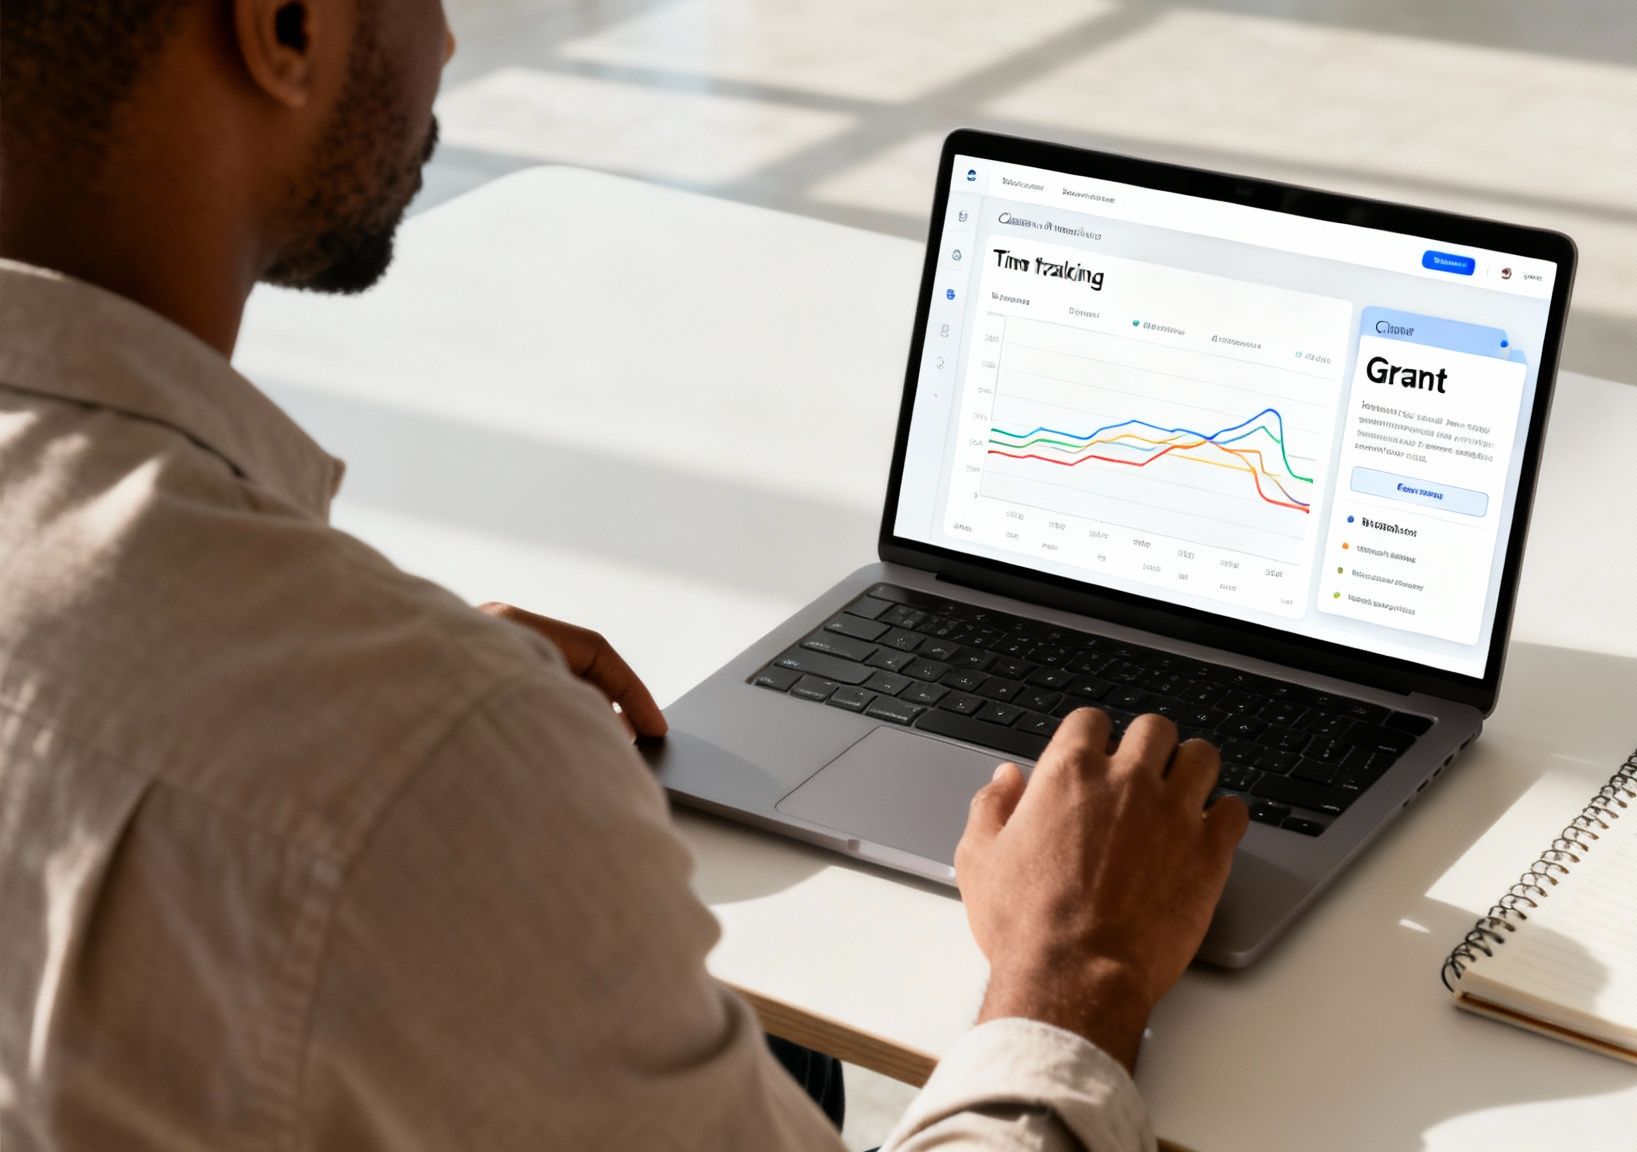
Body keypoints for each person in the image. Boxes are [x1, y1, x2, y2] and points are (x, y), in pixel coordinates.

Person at [0, 1, 1252, 1148]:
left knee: (767, 1048)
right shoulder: (414, 761)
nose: (449, 41)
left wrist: (379, 714)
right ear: (283, 26)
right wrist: (1071, 973)